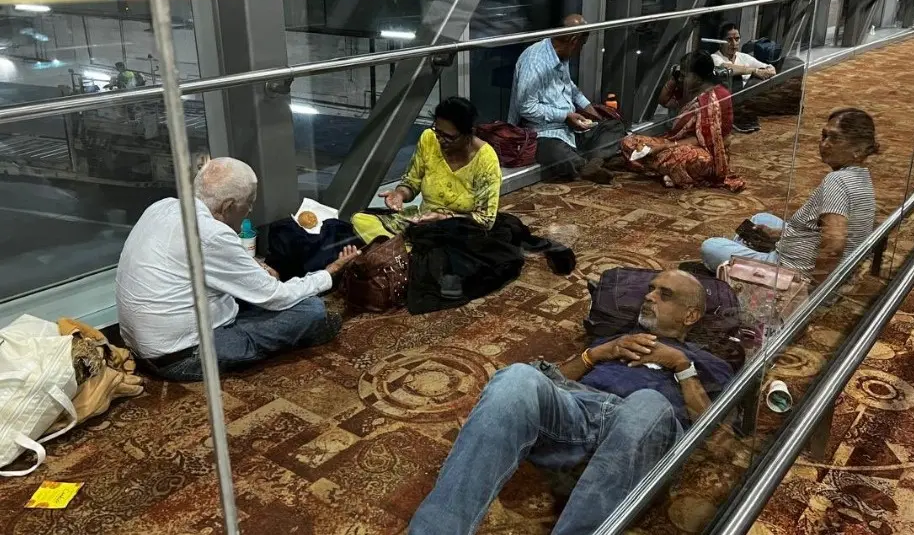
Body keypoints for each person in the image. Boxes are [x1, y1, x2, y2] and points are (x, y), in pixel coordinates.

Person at [408, 270, 734, 535]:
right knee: (517, 377)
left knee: (647, 401)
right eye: (650, 289)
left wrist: (680, 365)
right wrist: (597, 353)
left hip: (644, 424)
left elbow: (716, 434)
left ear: (690, 315)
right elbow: (555, 380)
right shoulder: (616, 338)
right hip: (579, 411)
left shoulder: (702, 361)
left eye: (665, 294)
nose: (649, 296)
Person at [116, 157, 360, 381]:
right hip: (181, 357)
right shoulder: (211, 234)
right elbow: (276, 297)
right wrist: (329, 272)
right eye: (249, 203)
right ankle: (309, 331)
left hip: (143, 345)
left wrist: (252, 266)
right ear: (228, 205)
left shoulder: (163, 207)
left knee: (257, 296)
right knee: (311, 310)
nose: (250, 210)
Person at [700, 108, 878, 282]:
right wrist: (778, 234)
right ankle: (747, 259)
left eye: (835, 138)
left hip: (793, 269)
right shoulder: (861, 176)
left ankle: (743, 273)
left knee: (711, 247)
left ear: (858, 149)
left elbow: (834, 245)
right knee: (762, 219)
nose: (824, 144)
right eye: (824, 136)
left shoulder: (836, 181)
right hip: (830, 263)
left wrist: (815, 287)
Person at [352, 97, 502, 243]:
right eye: (438, 132)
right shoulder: (429, 138)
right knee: (360, 220)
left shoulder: (485, 159)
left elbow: (485, 220)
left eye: (449, 137)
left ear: (468, 133)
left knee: (442, 253)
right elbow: (412, 182)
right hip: (423, 223)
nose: (441, 140)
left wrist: (443, 218)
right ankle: (404, 248)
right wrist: (399, 194)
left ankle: (403, 249)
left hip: (458, 231)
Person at [510, 14, 614, 184]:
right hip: (542, 132)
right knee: (555, 151)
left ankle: (591, 162)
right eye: (582, 45)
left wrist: (593, 114)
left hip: (571, 128)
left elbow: (571, 89)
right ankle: (587, 163)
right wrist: (565, 116)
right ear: (574, 41)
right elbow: (526, 108)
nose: (580, 51)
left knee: (613, 127)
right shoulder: (535, 61)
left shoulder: (561, 55)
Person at [619, 50, 743, 191]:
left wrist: (664, 147)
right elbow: (664, 100)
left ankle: (662, 168)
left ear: (697, 77)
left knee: (686, 158)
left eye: (685, 74)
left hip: (707, 151)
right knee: (628, 141)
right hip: (674, 142)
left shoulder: (718, 96)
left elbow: (705, 138)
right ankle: (665, 170)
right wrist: (674, 77)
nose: (681, 78)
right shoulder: (689, 89)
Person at [712, 23, 776, 133]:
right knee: (734, 76)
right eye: (729, 40)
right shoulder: (715, 57)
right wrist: (753, 70)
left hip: (746, 100)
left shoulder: (744, 57)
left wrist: (765, 71)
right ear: (720, 42)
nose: (734, 43)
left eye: (737, 39)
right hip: (726, 101)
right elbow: (727, 67)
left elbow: (771, 69)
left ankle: (746, 114)